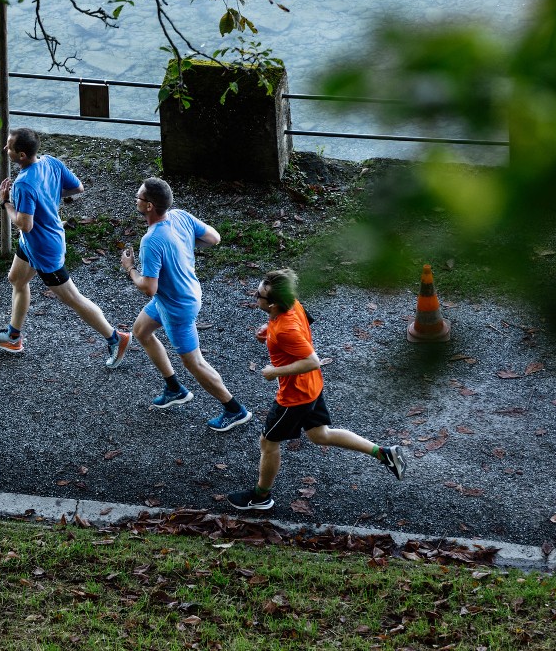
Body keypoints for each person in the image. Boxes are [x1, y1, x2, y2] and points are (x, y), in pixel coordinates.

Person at [227, 268, 406, 511]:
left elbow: (312, 360)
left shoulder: (285, 329)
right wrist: (269, 331)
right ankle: (384, 453)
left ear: (273, 304)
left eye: (258, 295)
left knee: (268, 443)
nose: (254, 297)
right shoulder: (292, 305)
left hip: (295, 396)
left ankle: (260, 496)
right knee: (320, 435)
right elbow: (302, 325)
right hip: (311, 386)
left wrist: (274, 371)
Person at [0, 128, 130, 368]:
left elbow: (25, 224)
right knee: (16, 279)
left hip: (44, 248)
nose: (5, 149)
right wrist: (49, 198)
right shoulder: (50, 162)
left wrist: (6, 203)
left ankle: (116, 338)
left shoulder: (24, 184)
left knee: (73, 298)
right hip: (31, 244)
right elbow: (77, 188)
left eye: (9, 147)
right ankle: (13, 337)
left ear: (21, 155)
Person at [120, 177, 251, 432]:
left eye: (138, 197)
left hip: (176, 307)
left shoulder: (150, 241)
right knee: (141, 331)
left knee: (195, 363)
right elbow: (214, 238)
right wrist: (184, 245)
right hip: (182, 294)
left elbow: (148, 287)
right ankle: (174, 388)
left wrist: (130, 268)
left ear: (148, 206)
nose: (135, 199)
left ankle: (234, 409)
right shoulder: (180, 216)